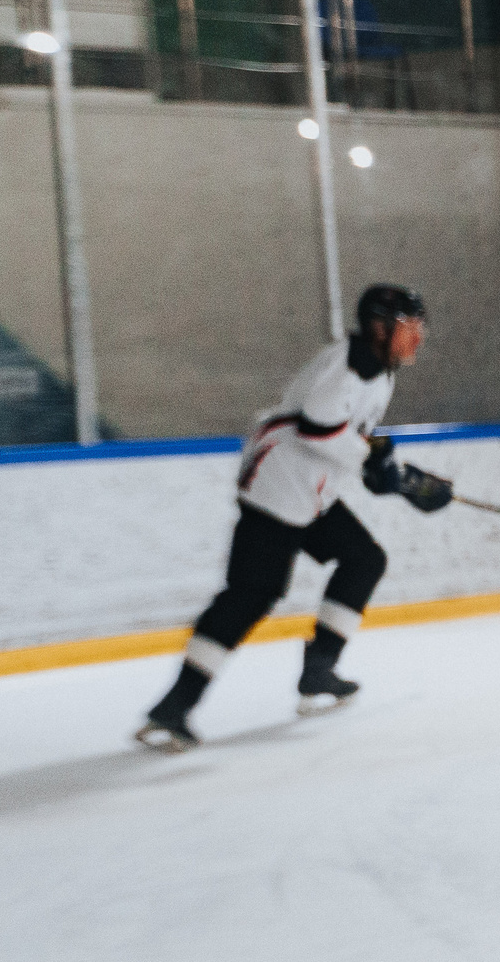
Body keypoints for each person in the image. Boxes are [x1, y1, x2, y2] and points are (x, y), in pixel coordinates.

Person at [134, 284, 455, 752]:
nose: (418, 339)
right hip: (275, 490)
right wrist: (378, 464)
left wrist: (394, 476)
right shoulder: (349, 367)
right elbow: (316, 430)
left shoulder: (380, 371)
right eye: (410, 329)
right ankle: (173, 707)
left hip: (309, 495)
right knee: (252, 594)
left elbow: (349, 440)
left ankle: (318, 671)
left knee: (364, 559)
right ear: (380, 328)